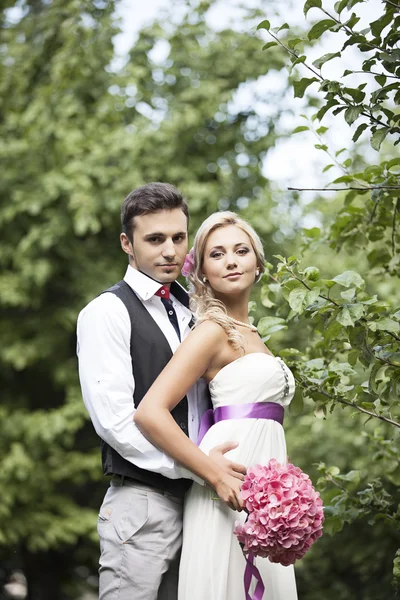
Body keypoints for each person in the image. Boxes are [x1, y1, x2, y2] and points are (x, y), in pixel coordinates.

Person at [76, 184, 246, 600]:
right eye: (155, 239)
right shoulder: (106, 312)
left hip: (203, 505)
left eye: (178, 237)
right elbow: (116, 422)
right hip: (142, 503)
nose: (170, 250)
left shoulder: (199, 311)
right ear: (127, 243)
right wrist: (200, 467)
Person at [134, 211, 298, 600]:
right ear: (203, 271)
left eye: (241, 251)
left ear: (258, 263)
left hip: (265, 490)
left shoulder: (252, 333)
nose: (231, 260)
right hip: (227, 484)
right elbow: (149, 412)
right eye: (217, 253)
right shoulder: (211, 331)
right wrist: (214, 474)